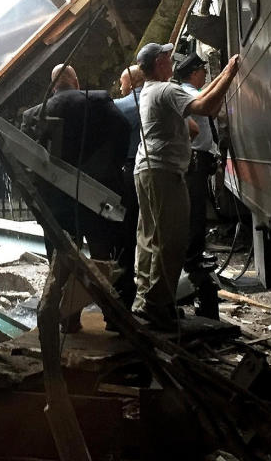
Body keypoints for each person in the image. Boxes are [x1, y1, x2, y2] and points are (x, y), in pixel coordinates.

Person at [132, 42, 240, 329]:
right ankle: (157, 305)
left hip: (147, 170)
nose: (172, 62)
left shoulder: (151, 90)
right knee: (172, 240)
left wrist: (223, 74)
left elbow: (204, 101)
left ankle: (145, 300)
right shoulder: (166, 90)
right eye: (167, 58)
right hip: (164, 172)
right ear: (159, 63)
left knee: (149, 237)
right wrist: (230, 73)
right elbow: (207, 107)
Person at [37, 63, 130, 331]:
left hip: (57, 202)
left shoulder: (37, 113)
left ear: (53, 86)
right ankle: (113, 318)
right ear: (75, 81)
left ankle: (68, 321)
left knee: (61, 260)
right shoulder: (99, 101)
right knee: (103, 255)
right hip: (97, 198)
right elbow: (123, 128)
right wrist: (110, 168)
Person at [174, 51, 221, 317]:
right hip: (194, 159)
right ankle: (191, 258)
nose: (205, 74)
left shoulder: (192, 91)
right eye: (203, 70)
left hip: (200, 158)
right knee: (194, 212)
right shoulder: (188, 93)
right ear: (194, 72)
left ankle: (194, 254)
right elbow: (206, 108)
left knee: (197, 209)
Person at [112, 64, 145, 311]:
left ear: (131, 83)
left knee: (126, 229)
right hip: (156, 169)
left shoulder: (125, 105)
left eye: (122, 82)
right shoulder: (158, 97)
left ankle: (124, 290)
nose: (120, 86)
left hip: (131, 168)